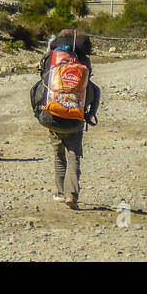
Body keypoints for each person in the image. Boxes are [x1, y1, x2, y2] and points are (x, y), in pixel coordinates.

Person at [31, 30, 100, 210]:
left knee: (59, 155)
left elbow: (36, 91)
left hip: (52, 116)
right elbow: (93, 93)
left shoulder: (53, 62)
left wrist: (39, 114)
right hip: (75, 119)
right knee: (73, 156)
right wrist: (89, 115)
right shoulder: (84, 63)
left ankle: (60, 193)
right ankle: (71, 196)